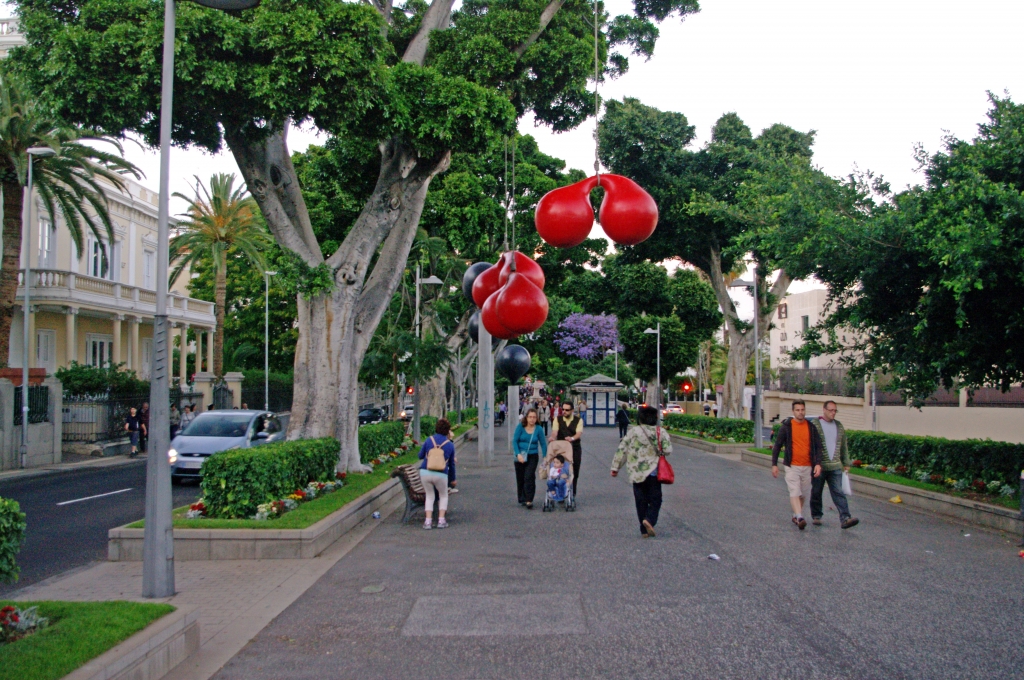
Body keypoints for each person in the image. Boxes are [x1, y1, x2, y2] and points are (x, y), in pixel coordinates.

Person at [611, 404, 672, 538]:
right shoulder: (660, 432)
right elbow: (668, 450)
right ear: (655, 418)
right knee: (656, 499)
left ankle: (643, 530)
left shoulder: (633, 431)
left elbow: (622, 450)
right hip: (653, 472)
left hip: (636, 472)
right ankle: (649, 520)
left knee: (640, 500)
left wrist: (615, 467)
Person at [771, 400, 822, 530]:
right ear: (793, 411)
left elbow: (818, 446)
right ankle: (799, 517)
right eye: (798, 410)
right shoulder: (787, 427)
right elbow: (777, 445)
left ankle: (795, 515)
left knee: (803, 494)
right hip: (792, 466)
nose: (800, 412)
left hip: (807, 466)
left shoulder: (811, 427)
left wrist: (818, 463)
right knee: (794, 490)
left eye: (802, 410)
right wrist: (774, 464)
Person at [811, 401, 859, 529]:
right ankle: (816, 515)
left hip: (835, 466)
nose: (833, 413)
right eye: (831, 410)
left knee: (838, 492)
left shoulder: (839, 426)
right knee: (816, 491)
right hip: (819, 466)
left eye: (835, 410)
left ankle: (845, 518)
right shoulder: (815, 424)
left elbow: (843, 446)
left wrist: (846, 462)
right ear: (824, 410)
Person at [417, 418, 456, 529]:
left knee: (430, 496)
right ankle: (441, 520)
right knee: (443, 495)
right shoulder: (450, 445)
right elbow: (452, 464)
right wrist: (453, 479)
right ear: (448, 430)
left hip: (425, 472)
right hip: (441, 474)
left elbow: (420, 456)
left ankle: (428, 522)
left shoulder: (429, 440)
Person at [513, 407, 548, 509]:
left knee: (529, 476)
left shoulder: (539, 429)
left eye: (534, 417)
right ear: (526, 418)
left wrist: (545, 456)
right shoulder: (520, 427)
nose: (532, 419)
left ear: (536, 418)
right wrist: (518, 454)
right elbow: (514, 441)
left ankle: (529, 499)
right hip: (520, 455)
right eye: (530, 417)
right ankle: (522, 498)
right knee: (520, 478)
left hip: (533, 455)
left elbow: (543, 444)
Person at [551, 402, 583, 496]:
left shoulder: (578, 420)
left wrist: (572, 438)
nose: (564, 411)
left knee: (574, 472)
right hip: (561, 449)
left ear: (572, 410)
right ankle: (561, 492)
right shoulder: (558, 419)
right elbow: (555, 431)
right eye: (563, 409)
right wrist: (552, 437)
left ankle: (572, 493)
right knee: (560, 470)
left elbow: (578, 433)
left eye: (567, 410)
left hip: (575, 448)